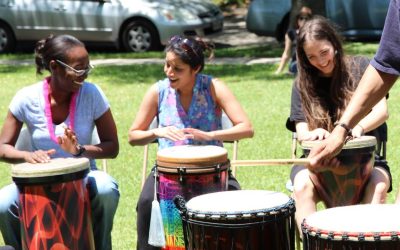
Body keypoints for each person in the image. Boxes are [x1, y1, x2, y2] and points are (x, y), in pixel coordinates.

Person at [128, 35, 254, 249]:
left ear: (195, 69)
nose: (169, 72)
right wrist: (158, 131)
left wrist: (210, 135)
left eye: (178, 68)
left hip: (212, 170)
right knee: (147, 203)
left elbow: (246, 128)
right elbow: (133, 136)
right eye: (167, 65)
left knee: (234, 205)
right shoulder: (157, 91)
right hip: (167, 171)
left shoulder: (213, 87)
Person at [0, 34, 120, 250]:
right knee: (3, 202)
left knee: (105, 189)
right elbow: (2, 148)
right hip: (37, 182)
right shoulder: (26, 98)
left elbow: (112, 146)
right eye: (78, 68)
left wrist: (79, 150)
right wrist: (27, 156)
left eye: (87, 67)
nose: (84, 74)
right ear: (55, 66)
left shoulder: (92, 94)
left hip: (84, 177)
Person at [286, 16, 392, 233]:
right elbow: (301, 131)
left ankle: (367, 246)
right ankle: (313, 245)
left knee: (379, 185)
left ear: (334, 44)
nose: (321, 61)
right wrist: (313, 133)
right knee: (302, 184)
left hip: (363, 160)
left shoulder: (362, 67)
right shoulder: (301, 85)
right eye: (312, 57)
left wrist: (356, 128)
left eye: (324, 52)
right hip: (318, 162)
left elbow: (382, 112)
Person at [307, 0, 400, 203]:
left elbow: (382, 110)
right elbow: (386, 64)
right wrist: (342, 129)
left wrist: (356, 127)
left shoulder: (357, 66)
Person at [275, 6, 312, 75]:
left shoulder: (313, 33)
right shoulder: (291, 33)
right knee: (296, 66)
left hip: (310, 62)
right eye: (301, 18)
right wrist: (279, 70)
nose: (303, 21)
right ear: (297, 20)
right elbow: (286, 53)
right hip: (296, 63)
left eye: (306, 18)